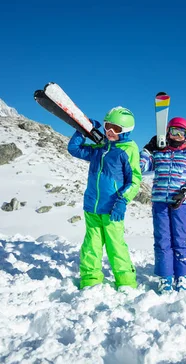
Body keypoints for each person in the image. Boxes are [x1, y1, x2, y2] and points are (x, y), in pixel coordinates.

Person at [67, 106, 142, 290]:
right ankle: (90, 278)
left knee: (115, 246)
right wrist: (83, 129)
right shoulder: (99, 148)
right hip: (92, 206)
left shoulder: (128, 150)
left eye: (115, 128)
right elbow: (74, 149)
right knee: (91, 245)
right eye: (107, 126)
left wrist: (122, 201)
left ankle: (125, 281)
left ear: (125, 130)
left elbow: (135, 180)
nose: (109, 131)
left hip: (112, 208)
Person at [140, 117, 186, 293]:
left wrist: (185, 191)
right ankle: (165, 277)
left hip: (180, 203)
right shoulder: (159, 153)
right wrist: (148, 149)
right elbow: (139, 167)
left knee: (179, 238)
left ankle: (181, 276)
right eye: (173, 131)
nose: (177, 135)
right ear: (167, 133)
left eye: (181, 132)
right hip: (160, 202)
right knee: (162, 240)